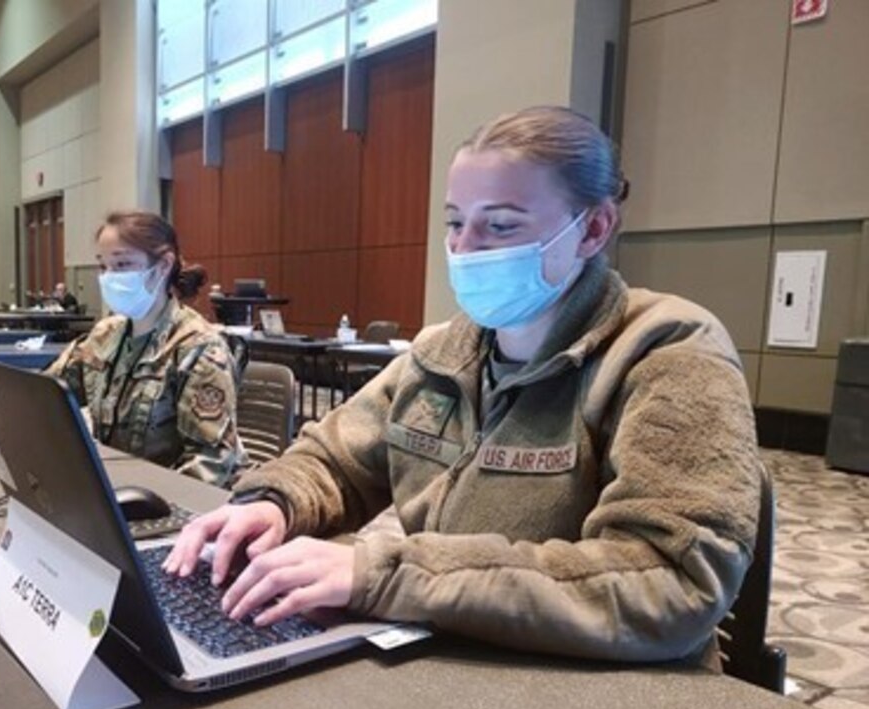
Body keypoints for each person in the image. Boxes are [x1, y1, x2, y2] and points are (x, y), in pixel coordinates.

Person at [165, 106, 762, 668]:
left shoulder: (670, 351)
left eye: (500, 225)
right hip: (459, 661)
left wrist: (388, 573)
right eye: (455, 223)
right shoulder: (445, 352)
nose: (465, 249)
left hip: (605, 697)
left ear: (594, 229)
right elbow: (337, 459)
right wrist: (276, 502)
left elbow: (669, 580)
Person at [47, 210, 247, 487]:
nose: (108, 277)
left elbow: (210, 463)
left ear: (164, 265)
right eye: (103, 267)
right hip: (122, 487)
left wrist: (145, 509)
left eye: (122, 264)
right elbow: (47, 394)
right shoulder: (105, 334)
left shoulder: (199, 349)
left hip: (179, 504)